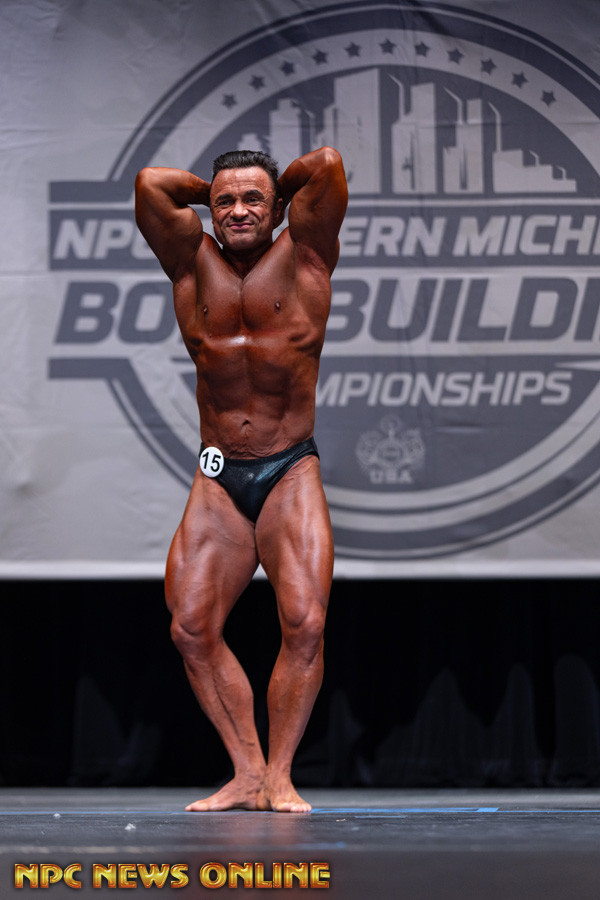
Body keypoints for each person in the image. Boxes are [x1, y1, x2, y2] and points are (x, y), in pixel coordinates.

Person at [135, 145, 347, 813]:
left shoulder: (306, 253)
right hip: (219, 474)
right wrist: (217, 190)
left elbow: (326, 164)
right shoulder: (188, 260)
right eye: (224, 201)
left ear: (279, 206)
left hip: (289, 469)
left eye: (253, 199)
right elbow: (150, 183)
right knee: (190, 628)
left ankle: (281, 775)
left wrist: (269, 191)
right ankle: (248, 772)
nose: (237, 210)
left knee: (305, 622)